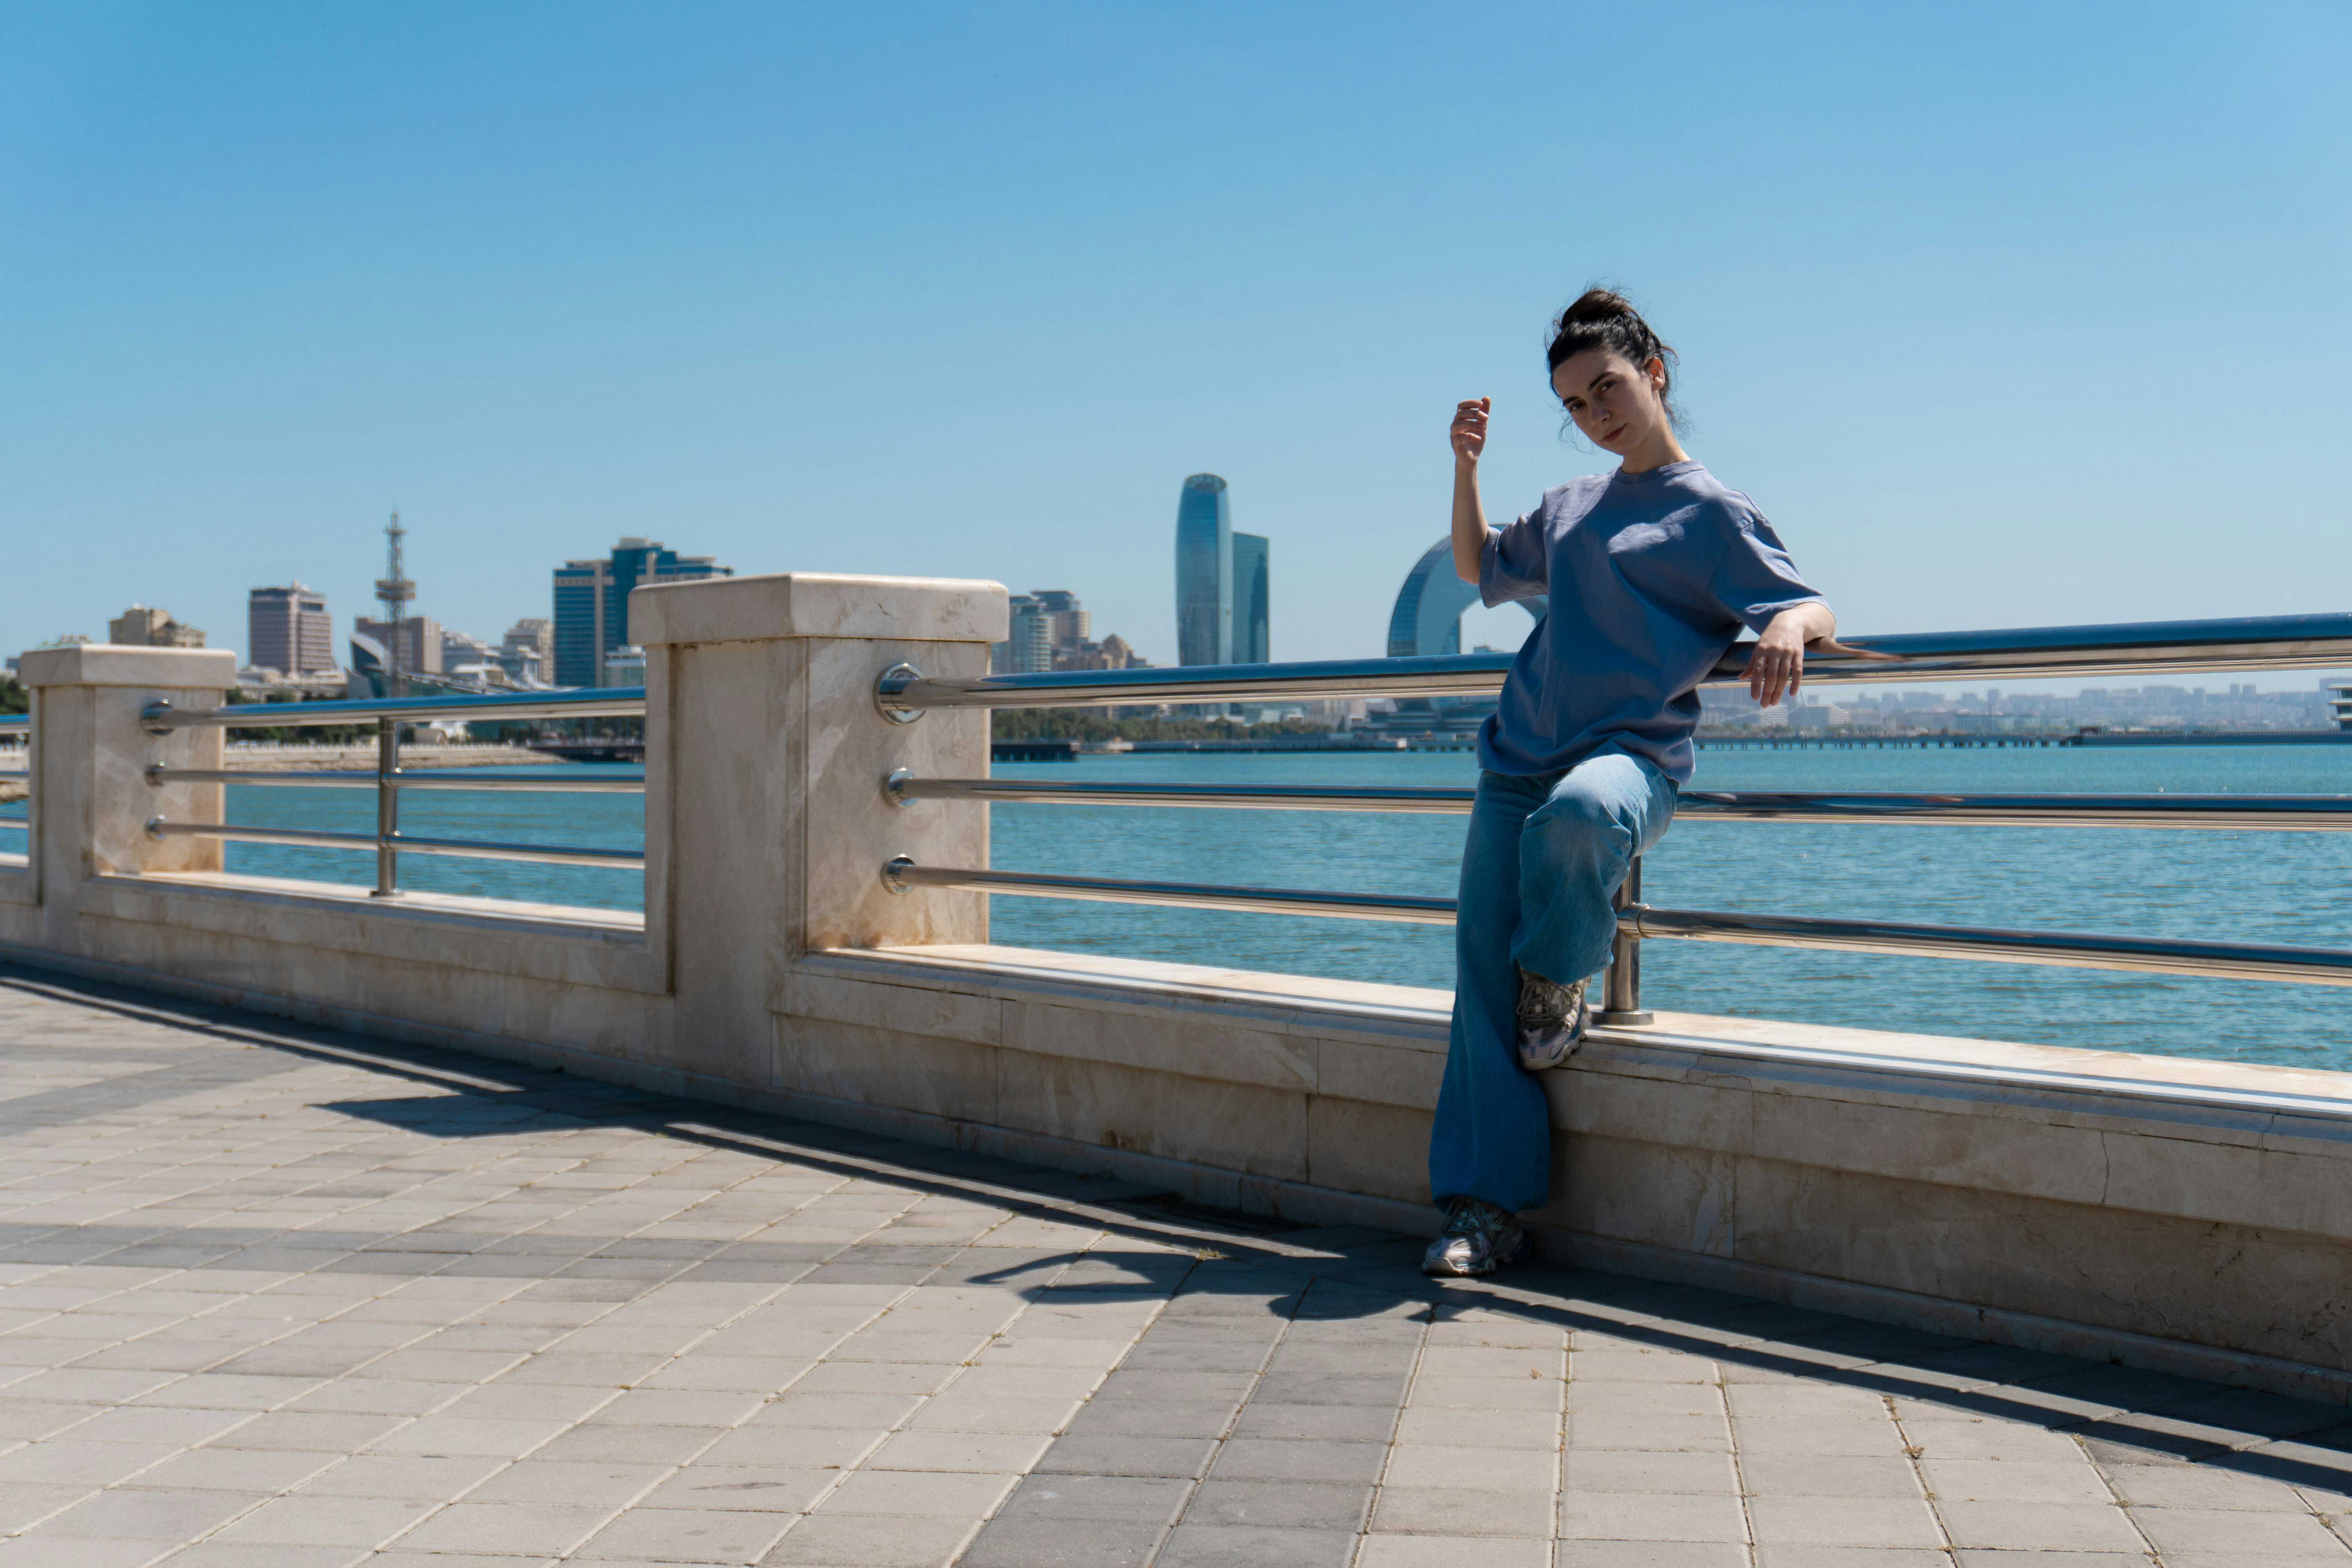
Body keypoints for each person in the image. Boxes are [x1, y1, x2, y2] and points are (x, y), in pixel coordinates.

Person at [1422, 288, 1840, 1278]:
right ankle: (1483, 1210)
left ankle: (1561, 970)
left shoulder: (1711, 510)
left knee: (1581, 817)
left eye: (1607, 387)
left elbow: (1809, 599)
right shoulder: (1571, 508)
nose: (1595, 413)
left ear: (1654, 375)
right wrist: (1465, 466)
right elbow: (1479, 562)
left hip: (1630, 762)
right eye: (1574, 404)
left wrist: (1783, 626)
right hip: (1515, 756)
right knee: (1478, 985)